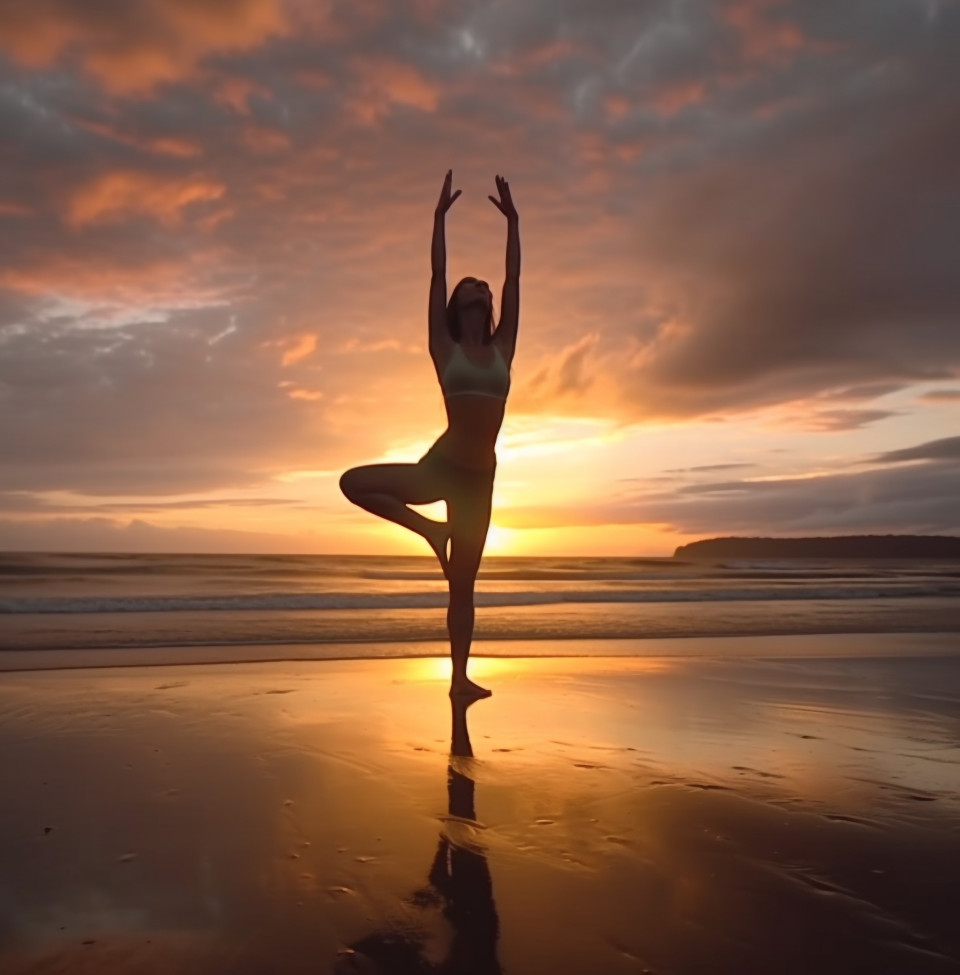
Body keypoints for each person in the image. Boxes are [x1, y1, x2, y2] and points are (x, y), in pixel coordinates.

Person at [339, 170, 520, 699]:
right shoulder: (445, 348)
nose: (482, 288)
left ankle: (459, 680)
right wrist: (438, 219)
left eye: (485, 288)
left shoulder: (504, 347)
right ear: (459, 303)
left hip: (479, 482)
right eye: (473, 286)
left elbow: (515, 280)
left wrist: (515, 223)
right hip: (440, 466)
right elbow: (436, 274)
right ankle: (428, 531)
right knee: (355, 482)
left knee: (463, 586)